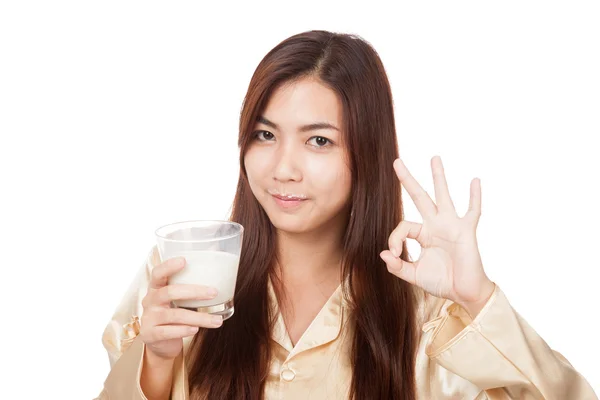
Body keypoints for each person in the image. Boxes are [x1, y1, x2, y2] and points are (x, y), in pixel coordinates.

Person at [95, 30, 597, 400]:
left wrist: (478, 297)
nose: (283, 169)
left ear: (366, 152)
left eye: (319, 141)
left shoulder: (427, 317)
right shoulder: (184, 279)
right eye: (265, 135)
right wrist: (157, 362)